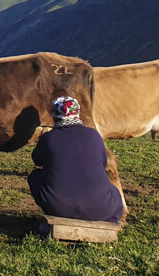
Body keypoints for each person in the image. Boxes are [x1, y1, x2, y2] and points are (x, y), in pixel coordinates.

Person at [28, 96, 125, 224]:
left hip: (59, 208)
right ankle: (107, 218)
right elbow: (103, 164)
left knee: (35, 176)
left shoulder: (49, 138)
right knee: (113, 191)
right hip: (102, 209)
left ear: (55, 115)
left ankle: (56, 212)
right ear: (77, 114)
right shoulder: (94, 135)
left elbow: (37, 160)